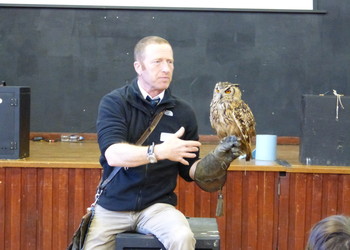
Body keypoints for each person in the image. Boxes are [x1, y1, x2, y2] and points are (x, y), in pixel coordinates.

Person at [84, 36, 241, 250]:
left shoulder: (183, 112)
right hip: (113, 207)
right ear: (139, 67)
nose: (166, 68)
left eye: (170, 62)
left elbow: (189, 169)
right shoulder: (115, 103)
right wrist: (159, 152)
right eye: (157, 62)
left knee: (182, 237)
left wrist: (217, 161)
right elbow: (114, 154)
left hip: (157, 207)